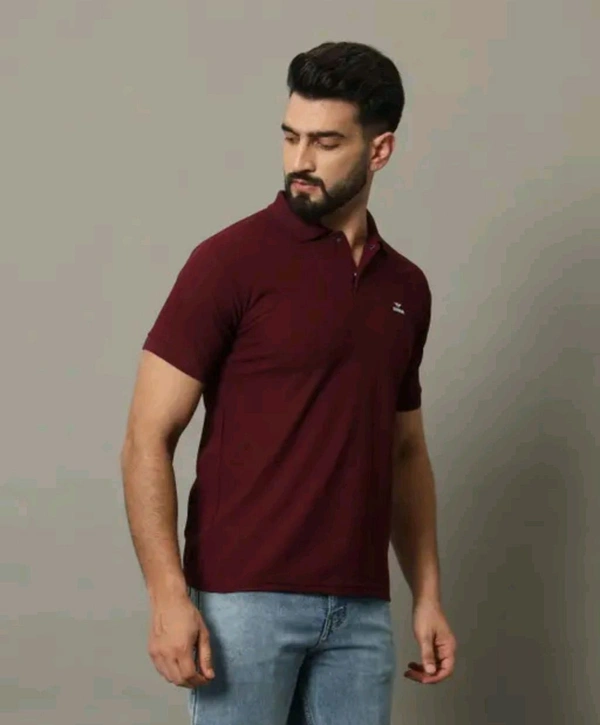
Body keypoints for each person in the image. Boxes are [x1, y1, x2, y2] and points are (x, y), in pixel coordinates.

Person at [120, 40, 457, 725]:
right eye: (291, 136)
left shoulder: (405, 288)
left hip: (361, 610)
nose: (300, 160)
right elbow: (145, 439)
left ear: (380, 151)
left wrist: (426, 594)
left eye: (326, 142)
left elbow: (405, 452)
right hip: (243, 602)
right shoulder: (230, 262)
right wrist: (167, 595)